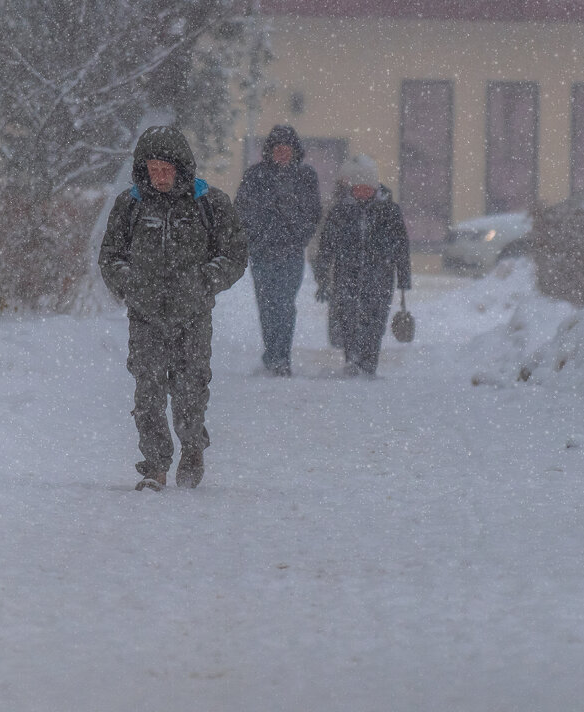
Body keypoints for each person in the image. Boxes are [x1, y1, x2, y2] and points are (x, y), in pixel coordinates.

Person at [98, 126, 247, 491]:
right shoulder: (130, 205)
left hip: (193, 315)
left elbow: (234, 254)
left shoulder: (208, 203)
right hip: (146, 316)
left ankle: (192, 445)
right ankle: (155, 464)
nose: (160, 177)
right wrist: (128, 282)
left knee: (189, 391)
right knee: (147, 393)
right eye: (153, 169)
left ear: (182, 168)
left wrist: (207, 280)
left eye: (166, 170)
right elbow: (110, 256)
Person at [313, 153, 411, 377]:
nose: (363, 192)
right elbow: (326, 245)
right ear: (352, 188)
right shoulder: (340, 211)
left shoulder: (390, 212)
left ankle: (369, 363)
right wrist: (322, 277)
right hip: (346, 275)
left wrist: (404, 279)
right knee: (348, 318)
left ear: (375, 187)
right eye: (359, 188)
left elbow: (401, 247)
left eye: (367, 187)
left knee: (375, 322)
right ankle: (352, 360)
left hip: (380, 276)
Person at [234, 124, 321, 376]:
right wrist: (255, 236)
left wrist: (298, 236)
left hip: (291, 253)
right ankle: (272, 352)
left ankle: (282, 357)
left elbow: (313, 213)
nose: (282, 154)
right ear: (269, 151)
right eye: (278, 149)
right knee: (266, 304)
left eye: (287, 149)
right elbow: (242, 209)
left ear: (295, 152)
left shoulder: (305, 177)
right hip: (261, 253)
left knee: (284, 304)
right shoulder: (255, 176)